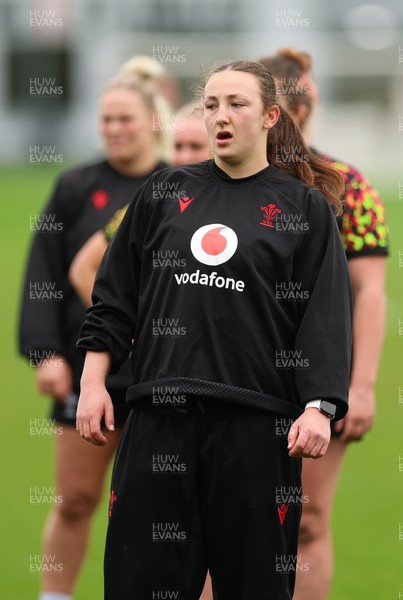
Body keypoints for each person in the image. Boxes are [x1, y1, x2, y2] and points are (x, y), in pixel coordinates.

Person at [75, 59, 352, 600]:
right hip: (157, 421)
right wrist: (91, 382)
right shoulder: (162, 192)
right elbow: (113, 297)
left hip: (256, 431)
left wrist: (319, 406)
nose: (220, 117)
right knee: (139, 585)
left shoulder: (304, 209)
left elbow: (326, 317)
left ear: (271, 116)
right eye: (211, 105)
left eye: (237, 104)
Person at [19, 57, 172, 600]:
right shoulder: (76, 185)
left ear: (153, 120)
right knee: (77, 498)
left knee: (155, 505)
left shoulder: (178, 184)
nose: (113, 129)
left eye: (125, 119)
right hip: (92, 366)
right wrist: (46, 354)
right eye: (106, 119)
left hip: (159, 372)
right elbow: (43, 271)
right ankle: (54, 595)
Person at [259, 47, 389, 600]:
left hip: (319, 379)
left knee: (306, 521)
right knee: (214, 522)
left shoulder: (345, 184)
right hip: (234, 373)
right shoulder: (206, 183)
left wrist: (359, 388)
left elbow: (370, 291)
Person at [69, 102, 211, 308]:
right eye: (178, 147)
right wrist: (121, 332)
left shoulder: (245, 202)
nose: (184, 157)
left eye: (196, 147)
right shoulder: (151, 203)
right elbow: (83, 270)